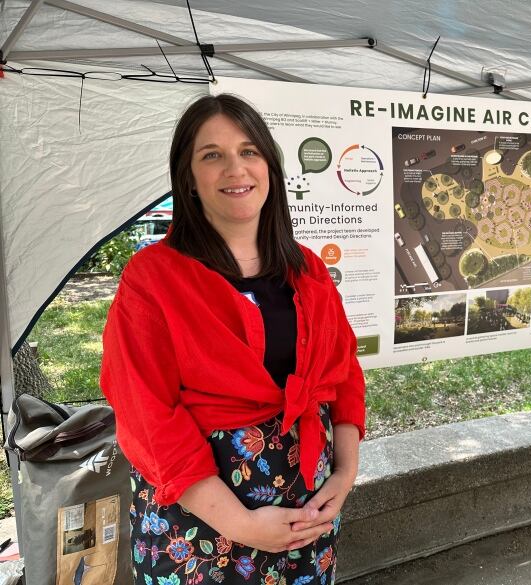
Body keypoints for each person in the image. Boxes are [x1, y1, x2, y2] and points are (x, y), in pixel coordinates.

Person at [100, 94, 366, 585]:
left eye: (248, 151)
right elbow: (146, 413)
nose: (235, 168)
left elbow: (344, 374)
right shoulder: (153, 278)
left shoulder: (306, 269)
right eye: (211, 155)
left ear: (270, 166)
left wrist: (344, 475)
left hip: (306, 515)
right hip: (199, 522)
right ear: (189, 177)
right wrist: (240, 523)